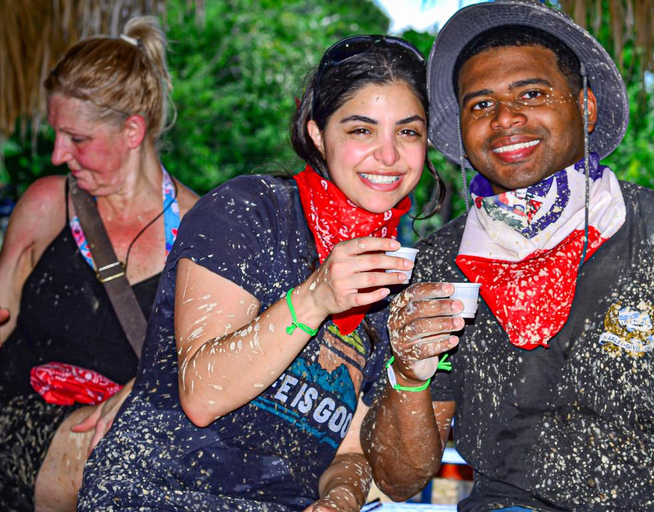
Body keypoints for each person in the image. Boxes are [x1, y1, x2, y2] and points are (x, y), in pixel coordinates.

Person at [361, 1, 654, 511]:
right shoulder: (439, 266)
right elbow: (399, 480)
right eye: (480, 104)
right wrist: (407, 372)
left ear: (586, 107)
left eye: (531, 93)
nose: (505, 119)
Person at [78, 35, 441, 511]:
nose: (389, 155)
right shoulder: (249, 212)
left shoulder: (397, 278)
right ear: (317, 134)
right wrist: (315, 298)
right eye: (361, 130)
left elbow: (351, 449)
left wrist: (342, 497)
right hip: (158, 494)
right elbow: (202, 394)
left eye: (408, 132)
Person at [0, 17, 198, 512]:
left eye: (77, 139)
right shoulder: (48, 204)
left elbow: (216, 362)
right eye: (56, 134)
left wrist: (152, 385)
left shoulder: (201, 230)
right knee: (116, 454)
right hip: (23, 422)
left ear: (133, 130)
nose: (57, 153)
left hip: (133, 440)